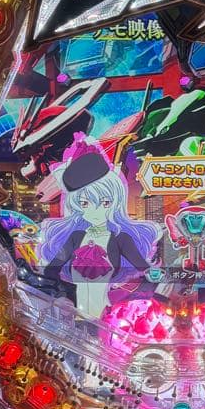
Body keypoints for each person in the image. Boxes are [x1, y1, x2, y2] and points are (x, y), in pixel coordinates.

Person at [38, 133, 161, 319]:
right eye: (85, 203)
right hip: (75, 315)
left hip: (106, 314)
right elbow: (52, 269)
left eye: (104, 203)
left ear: (114, 202)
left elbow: (144, 267)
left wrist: (163, 281)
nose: (94, 211)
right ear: (76, 205)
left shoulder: (121, 238)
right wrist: (56, 291)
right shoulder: (75, 237)